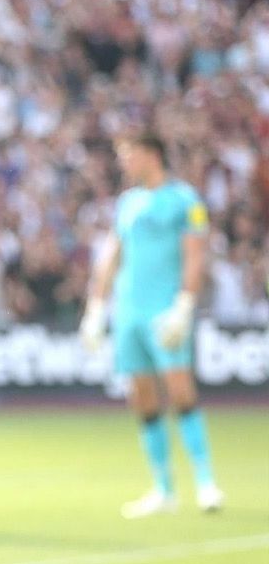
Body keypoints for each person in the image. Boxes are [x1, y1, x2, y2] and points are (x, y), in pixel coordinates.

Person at [80, 134, 224, 519]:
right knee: (142, 397)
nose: (124, 162)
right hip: (129, 311)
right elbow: (112, 255)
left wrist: (185, 305)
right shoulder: (127, 203)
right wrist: (96, 307)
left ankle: (206, 482)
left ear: (152, 155)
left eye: (129, 154)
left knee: (180, 392)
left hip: (164, 309)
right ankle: (164, 490)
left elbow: (194, 255)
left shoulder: (185, 200)